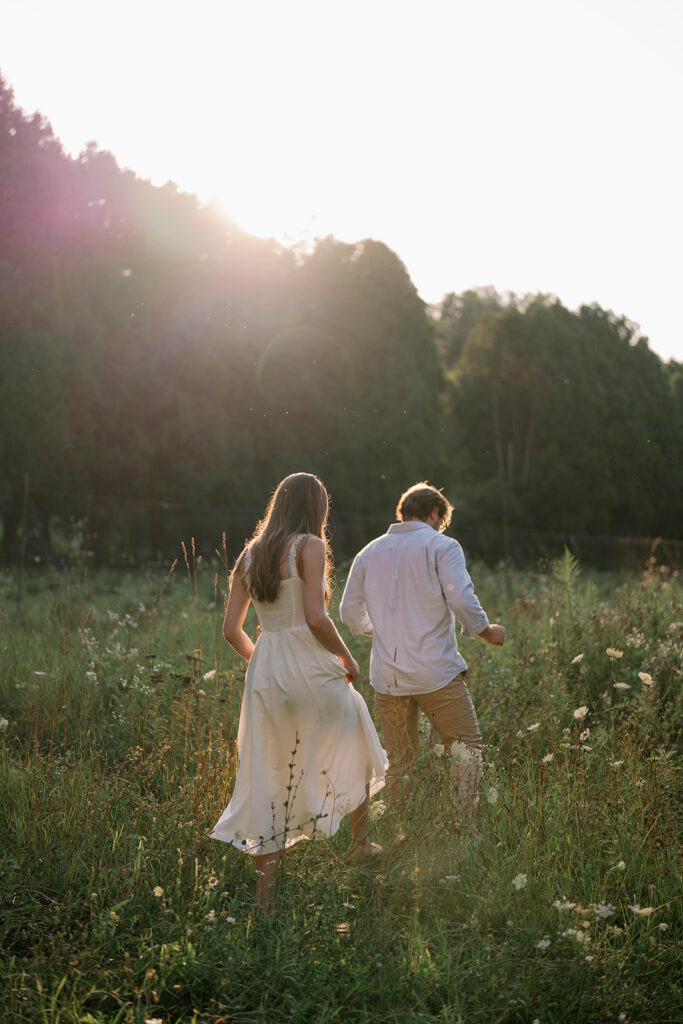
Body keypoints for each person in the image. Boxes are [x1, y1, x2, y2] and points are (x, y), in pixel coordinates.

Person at [211, 473, 385, 906]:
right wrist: (347, 658)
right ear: (315, 507)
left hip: (267, 670)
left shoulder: (249, 555)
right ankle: (359, 843)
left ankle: (264, 898)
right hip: (307, 661)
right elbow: (314, 618)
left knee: (270, 771)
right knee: (357, 732)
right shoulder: (309, 545)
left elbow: (231, 630)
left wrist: (267, 666)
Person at [339, 482, 505, 813]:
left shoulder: (369, 552)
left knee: (400, 761)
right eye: (442, 521)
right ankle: (462, 824)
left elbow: (348, 614)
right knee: (466, 747)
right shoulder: (442, 546)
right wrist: (486, 631)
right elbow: (459, 595)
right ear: (434, 514)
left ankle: (403, 830)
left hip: (389, 677)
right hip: (436, 674)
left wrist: (383, 632)